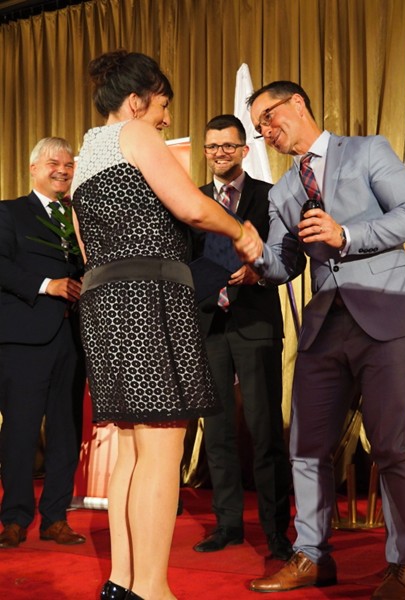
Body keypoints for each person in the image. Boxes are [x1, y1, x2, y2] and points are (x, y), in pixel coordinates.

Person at [71, 51, 257, 600]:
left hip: (104, 302)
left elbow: (86, 246)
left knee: (132, 446)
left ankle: (122, 582)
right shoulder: (134, 133)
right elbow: (191, 207)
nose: (166, 118)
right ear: (136, 101)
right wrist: (241, 231)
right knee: (162, 444)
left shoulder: (86, 155)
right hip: (147, 297)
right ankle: (152, 590)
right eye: (162, 106)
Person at [240, 81, 405, 600]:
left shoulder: (367, 150)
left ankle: (404, 564)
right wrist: (252, 253)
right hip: (325, 326)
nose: (265, 131)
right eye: (258, 127)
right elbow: (284, 265)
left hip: (386, 313)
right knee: (306, 446)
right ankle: (311, 556)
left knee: (391, 446)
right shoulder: (282, 191)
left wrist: (346, 235)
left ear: (297, 104)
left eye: (268, 117)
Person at [191, 114, 293, 561]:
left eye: (228, 146)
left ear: (244, 150)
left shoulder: (269, 196)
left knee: (265, 430)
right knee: (217, 432)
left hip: (255, 323)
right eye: (213, 147)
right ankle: (227, 525)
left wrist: (258, 272)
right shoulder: (192, 200)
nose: (220, 153)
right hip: (209, 326)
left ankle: (276, 531)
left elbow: (289, 256)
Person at [0, 137, 85, 549]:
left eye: (68, 164)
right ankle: (14, 518)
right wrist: (46, 284)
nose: (62, 170)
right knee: (20, 430)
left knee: (67, 431)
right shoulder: (10, 212)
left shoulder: (80, 217)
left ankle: (56, 517)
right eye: (54, 163)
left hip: (73, 338)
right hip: (24, 340)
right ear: (33, 168)